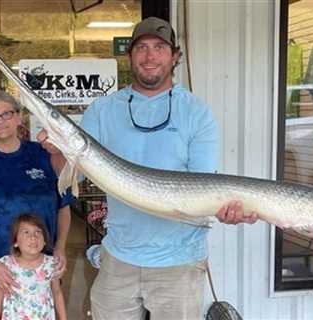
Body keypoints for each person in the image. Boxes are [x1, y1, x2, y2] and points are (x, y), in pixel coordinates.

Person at [76, 17, 258, 320]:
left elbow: (202, 188)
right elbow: (72, 170)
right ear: (130, 55)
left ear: (174, 56)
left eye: (160, 47)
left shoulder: (196, 113)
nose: (150, 56)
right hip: (118, 257)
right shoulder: (102, 110)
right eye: (142, 48)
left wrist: (228, 210)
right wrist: (57, 150)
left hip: (179, 261)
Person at [0, 91, 74, 318]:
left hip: (42, 269)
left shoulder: (41, 155)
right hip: (2, 273)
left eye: (6, 114)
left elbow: (63, 205)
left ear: (19, 117)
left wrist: (60, 247)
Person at [0, 213, 66, 320]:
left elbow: (57, 293)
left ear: (44, 241)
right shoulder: (6, 264)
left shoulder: (51, 264)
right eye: (26, 232)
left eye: (38, 232)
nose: (33, 237)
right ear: (15, 242)